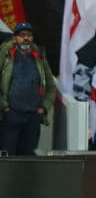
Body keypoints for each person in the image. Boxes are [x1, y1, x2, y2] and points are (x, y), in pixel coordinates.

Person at [0, 22, 56, 156]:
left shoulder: (39, 57)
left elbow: (51, 86)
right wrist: (4, 107)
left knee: (28, 158)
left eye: (29, 35)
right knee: (6, 156)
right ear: (14, 38)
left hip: (33, 117)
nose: (26, 38)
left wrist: (43, 108)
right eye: (22, 35)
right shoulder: (5, 55)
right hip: (10, 116)